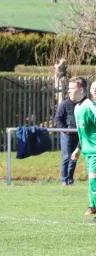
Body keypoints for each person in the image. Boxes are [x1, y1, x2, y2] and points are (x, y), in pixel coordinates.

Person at [69, 77, 96, 218]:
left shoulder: (89, 105)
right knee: (92, 181)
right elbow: (82, 133)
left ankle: (93, 207)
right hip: (89, 151)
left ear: (81, 90)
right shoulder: (77, 108)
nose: (69, 91)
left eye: (72, 88)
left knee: (93, 180)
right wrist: (78, 149)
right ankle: (93, 206)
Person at [55, 86, 81, 186]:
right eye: (69, 92)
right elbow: (58, 118)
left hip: (78, 134)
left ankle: (70, 179)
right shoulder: (64, 104)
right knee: (66, 156)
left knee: (74, 157)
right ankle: (64, 179)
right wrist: (65, 130)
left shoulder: (81, 104)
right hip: (67, 134)